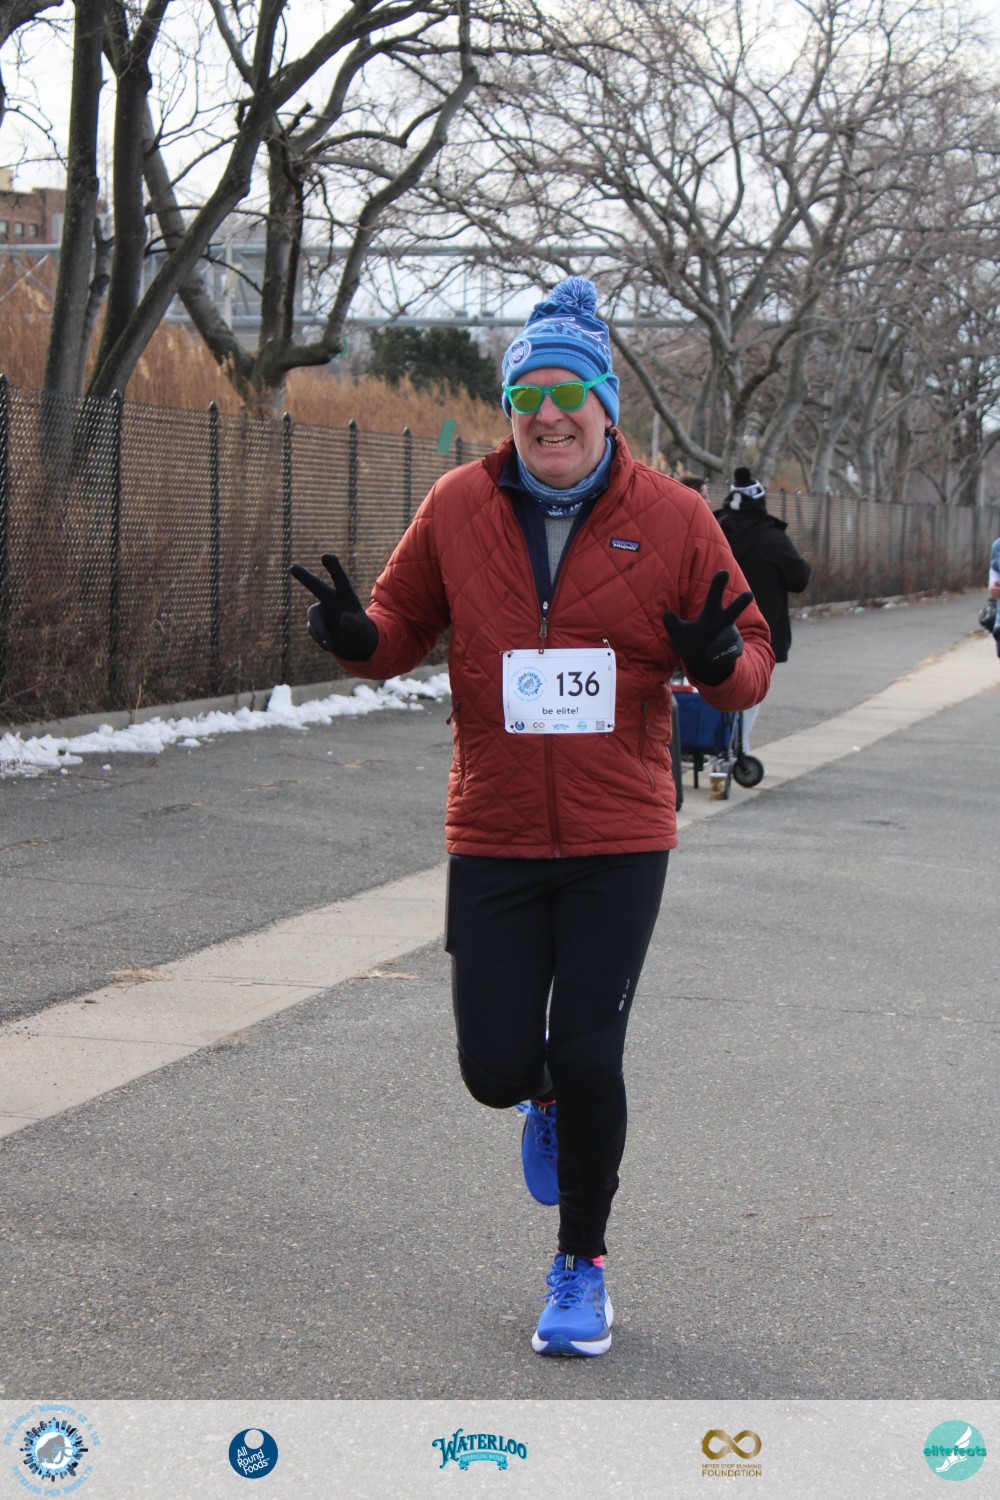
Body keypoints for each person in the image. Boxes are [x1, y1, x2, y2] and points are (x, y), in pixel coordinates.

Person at [291, 277, 774, 1358]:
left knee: (592, 1052)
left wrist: (715, 661)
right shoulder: (458, 504)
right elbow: (399, 623)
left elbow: (750, 660)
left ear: (605, 404)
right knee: (495, 1068)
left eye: (568, 394)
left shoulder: (674, 517)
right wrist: (355, 639)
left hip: (620, 833)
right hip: (496, 826)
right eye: (526, 398)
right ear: (508, 409)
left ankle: (580, 1267)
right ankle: (539, 1095)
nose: (548, 417)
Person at [714, 466, 811, 755]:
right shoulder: (774, 539)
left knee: (713, 685)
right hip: (759, 632)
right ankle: (738, 747)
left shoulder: (713, 530)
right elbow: (799, 579)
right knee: (751, 689)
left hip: (713, 629)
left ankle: (714, 743)